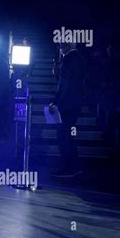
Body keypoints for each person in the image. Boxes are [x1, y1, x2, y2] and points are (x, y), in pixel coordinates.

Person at [49, 43, 84, 177]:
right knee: (67, 135)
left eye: (61, 45)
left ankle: (68, 167)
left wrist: (56, 100)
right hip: (75, 101)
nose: (59, 47)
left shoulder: (68, 59)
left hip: (67, 102)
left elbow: (64, 82)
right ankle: (73, 166)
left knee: (63, 135)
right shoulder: (79, 58)